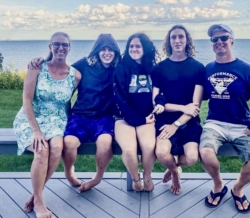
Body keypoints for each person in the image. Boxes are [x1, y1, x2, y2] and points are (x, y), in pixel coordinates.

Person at [27, 33, 120, 194]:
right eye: (103, 49)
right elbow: (62, 68)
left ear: (116, 53)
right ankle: (69, 172)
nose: (107, 53)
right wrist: (40, 60)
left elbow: (138, 66)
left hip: (104, 117)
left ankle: (97, 177)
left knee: (105, 143)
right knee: (69, 143)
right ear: (96, 51)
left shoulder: (119, 67)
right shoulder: (84, 65)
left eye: (111, 50)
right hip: (80, 116)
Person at [199, 24, 250, 213]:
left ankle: (237, 188)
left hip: (241, 125)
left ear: (231, 41)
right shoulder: (207, 70)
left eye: (223, 38)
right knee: (206, 154)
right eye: (214, 40)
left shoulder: (246, 70)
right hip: (214, 124)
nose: (219, 42)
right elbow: (198, 96)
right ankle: (218, 185)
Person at [13, 32, 81, 218]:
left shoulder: (75, 75)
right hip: (31, 118)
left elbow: (72, 102)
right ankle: (40, 203)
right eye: (57, 44)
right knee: (42, 150)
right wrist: (36, 130)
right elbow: (26, 100)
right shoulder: (37, 67)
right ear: (50, 46)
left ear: (69, 48)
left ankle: (35, 195)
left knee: (57, 147)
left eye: (65, 45)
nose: (61, 48)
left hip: (57, 120)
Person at [152, 25, 206, 195]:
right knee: (161, 152)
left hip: (188, 122)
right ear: (168, 41)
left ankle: (174, 166)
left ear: (187, 40)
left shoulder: (198, 67)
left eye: (181, 37)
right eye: (173, 37)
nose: (177, 41)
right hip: (164, 120)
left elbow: (195, 107)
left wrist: (176, 124)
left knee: (191, 158)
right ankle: (175, 172)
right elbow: (157, 103)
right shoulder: (159, 68)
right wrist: (183, 107)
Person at [113, 33, 164, 192]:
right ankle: (136, 178)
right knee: (129, 149)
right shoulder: (121, 68)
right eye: (131, 46)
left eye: (138, 46)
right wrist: (138, 120)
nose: (134, 49)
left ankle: (147, 176)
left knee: (149, 146)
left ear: (145, 48)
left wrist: (160, 103)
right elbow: (119, 99)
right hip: (124, 118)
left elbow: (161, 91)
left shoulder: (153, 68)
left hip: (147, 117)